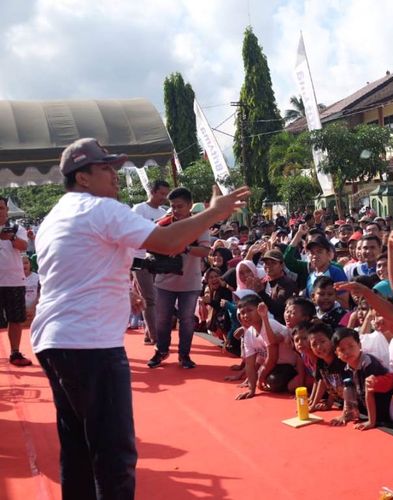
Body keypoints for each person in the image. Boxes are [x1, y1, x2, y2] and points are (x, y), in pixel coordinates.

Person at [31, 137, 248, 499]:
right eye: (106, 169)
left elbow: (93, 260)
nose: (115, 177)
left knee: (79, 448)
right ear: (82, 178)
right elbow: (167, 243)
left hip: (57, 340)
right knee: (114, 454)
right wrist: (214, 212)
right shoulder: (99, 209)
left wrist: (122, 285)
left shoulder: (58, 214)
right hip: (91, 344)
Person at [149, 187, 211, 369]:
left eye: (180, 206)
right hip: (164, 282)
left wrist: (185, 248)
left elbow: (206, 251)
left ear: (190, 205)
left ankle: (184, 355)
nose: (176, 210)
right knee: (161, 318)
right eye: (173, 207)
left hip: (190, 283)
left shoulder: (199, 225)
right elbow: (150, 246)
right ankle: (161, 350)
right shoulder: (162, 224)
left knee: (186, 320)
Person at [329, 327, 393, 430]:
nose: (347, 352)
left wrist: (371, 421)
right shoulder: (347, 367)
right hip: (367, 412)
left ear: (359, 345)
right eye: (342, 350)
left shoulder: (368, 363)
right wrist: (345, 414)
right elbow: (348, 393)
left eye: (351, 346)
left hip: (383, 412)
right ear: (337, 354)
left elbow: (370, 393)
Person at [131, 180, 169, 344]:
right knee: (150, 297)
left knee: (156, 298)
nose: (164, 197)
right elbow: (132, 234)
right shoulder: (138, 209)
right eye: (161, 193)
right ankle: (155, 337)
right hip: (139, 259)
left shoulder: (164, 213)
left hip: (158, 260)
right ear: (152, 192)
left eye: (165, 194)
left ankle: (149, 332)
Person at [0, 195, 32, 366]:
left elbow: (24, 246)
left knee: (15, 318)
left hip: (13, 280)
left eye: (1, 208)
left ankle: (15, 352)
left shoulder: (15, 227)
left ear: (6, 210)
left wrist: (11, 238)